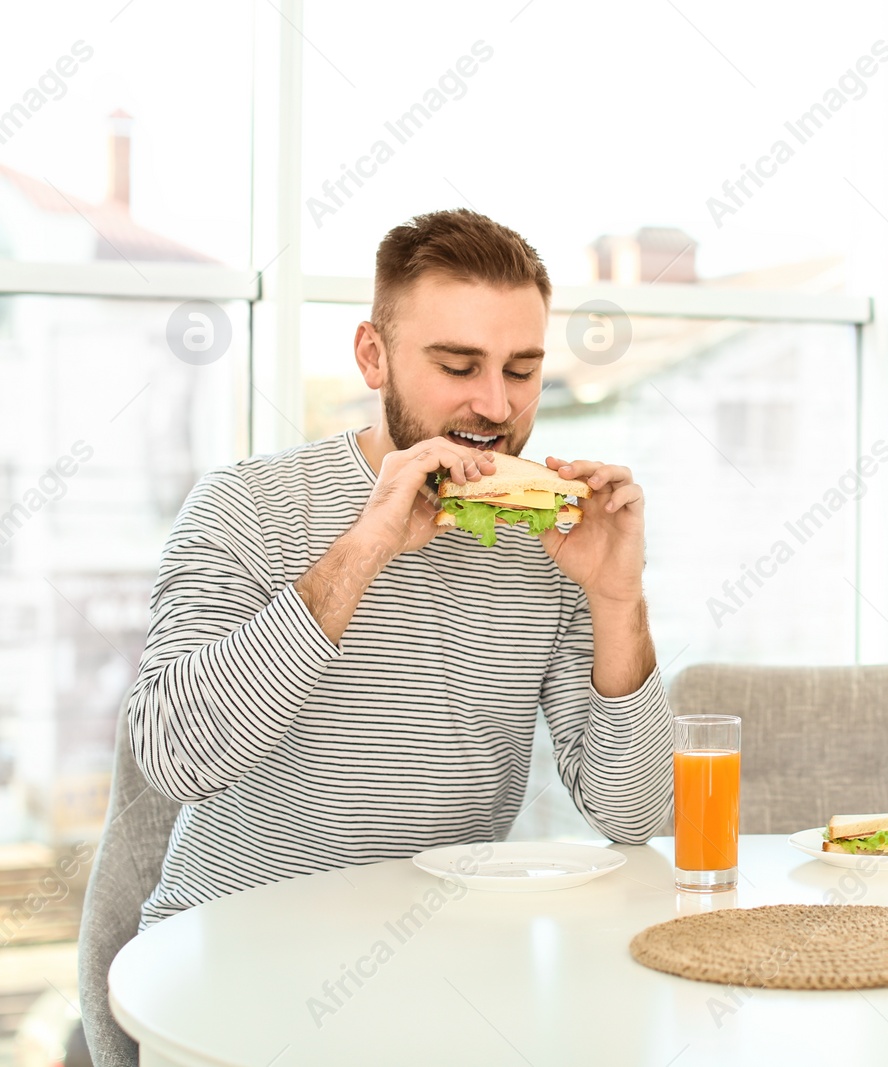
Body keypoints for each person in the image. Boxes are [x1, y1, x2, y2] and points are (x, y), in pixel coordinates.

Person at [129, 209, 671, 928]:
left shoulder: (553, 541)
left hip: (442, 958)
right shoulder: (245, 505)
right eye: (457, 366)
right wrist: (363, 549)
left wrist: (615, 595)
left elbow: (634, 814)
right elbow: (174, 760)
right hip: (232, 945)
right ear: (373, 357)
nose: (497, 403)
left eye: (522, 369)